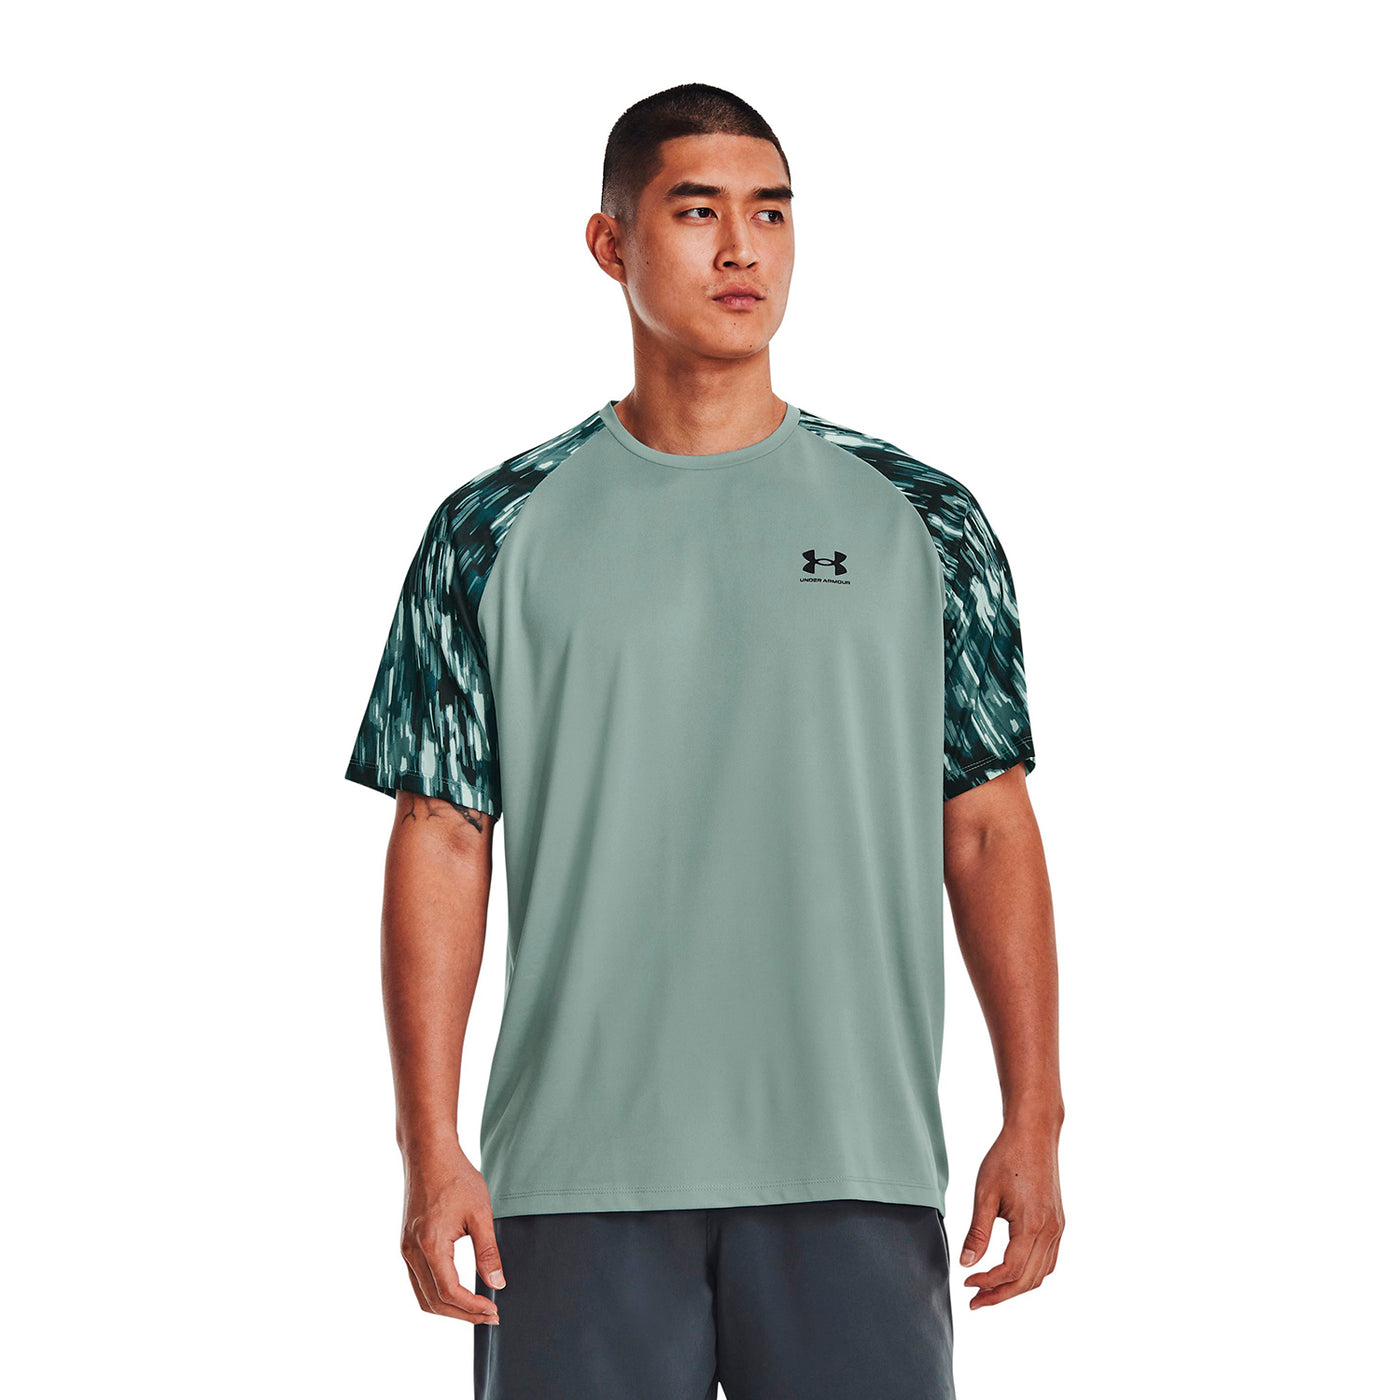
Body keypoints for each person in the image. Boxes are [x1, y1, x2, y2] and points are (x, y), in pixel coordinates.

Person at [345, 82, 1064, 1400]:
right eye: (697, 212)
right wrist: (428, 1147)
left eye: (771, 214)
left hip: (855, 1164)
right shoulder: (490, 531)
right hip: (573, 1180)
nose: (743, 249)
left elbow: (984, 824)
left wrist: (1035, 1115)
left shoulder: (924, 521)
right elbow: (441, 836)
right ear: (610, 243)